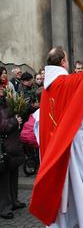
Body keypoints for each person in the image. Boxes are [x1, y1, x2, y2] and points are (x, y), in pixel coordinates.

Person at [29, 32, 83, 228]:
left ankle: (66, 222)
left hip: (55, 148)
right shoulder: (69, 82)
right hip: (75, 144)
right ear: (63, 62)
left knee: (63, 187)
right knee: (82, 184)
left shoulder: (46, 90)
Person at [0, 81, 25, 220]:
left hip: (12, 145)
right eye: (0, 87)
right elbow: (2, 126)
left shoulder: (6, 101)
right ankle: (4, 207)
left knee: (13, 175)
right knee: (3, 179)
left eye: (3, 86)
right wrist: (15, 121)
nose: (3, 88)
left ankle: (14, 201)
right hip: (4, 147)